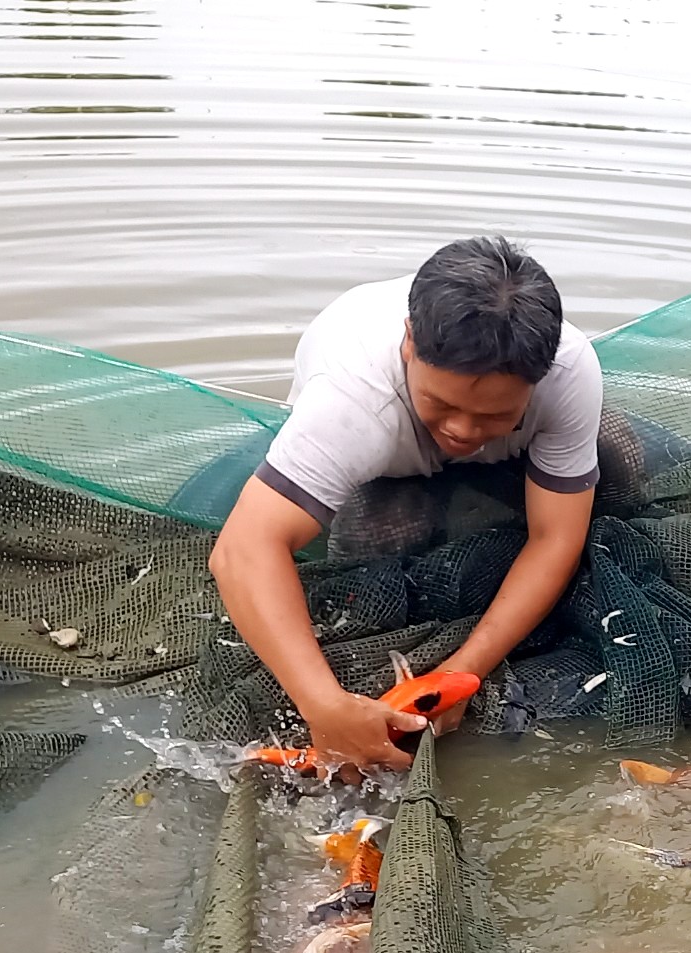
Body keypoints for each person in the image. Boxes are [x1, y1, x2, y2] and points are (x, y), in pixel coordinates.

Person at [209, 236, 603, 772]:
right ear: (409, 344)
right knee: (383, 537)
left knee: (618, 454)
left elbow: (555, 538)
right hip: (385, 459)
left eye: (492, 414)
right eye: (441, 403)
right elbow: (242, 551)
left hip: (508, 456)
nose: (463, 431)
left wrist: (464, 671)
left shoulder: (570, 372)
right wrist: (323, 705)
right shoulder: (352, 400)